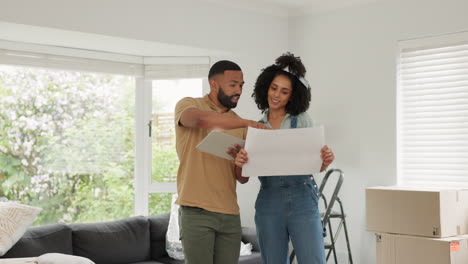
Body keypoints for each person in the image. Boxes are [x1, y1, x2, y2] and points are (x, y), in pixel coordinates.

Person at [235, 53, 335, 264]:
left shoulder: (302, 120)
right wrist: (242, 161)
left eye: (284, 91)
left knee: (313, 259)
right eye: (274, 88)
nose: (277, 95)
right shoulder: (256, 127)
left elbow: (317, 164)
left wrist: (325, 160)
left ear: (292, 96)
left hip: (302, 196)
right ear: (266, 88)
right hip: (269, 200)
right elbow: (246, 174)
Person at [174, 60, 268, 264]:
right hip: (196, 211)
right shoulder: (189, 105)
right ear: (214, 84)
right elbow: (199, 120)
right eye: (233, 85)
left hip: (229, 215)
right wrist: (248, 123)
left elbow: (241, 178)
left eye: (241, 85)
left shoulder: (238, 123)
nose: (239, 91)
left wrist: (243, 162)